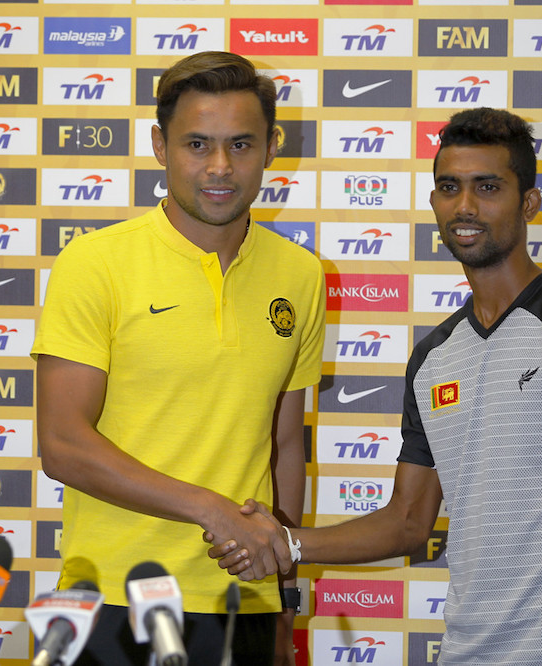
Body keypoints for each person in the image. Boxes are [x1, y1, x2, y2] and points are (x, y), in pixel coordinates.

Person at [208, 108, 542, 665]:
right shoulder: (434, 357)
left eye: (488, 187)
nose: (465, 206)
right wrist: (286, 542)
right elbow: (408, 523)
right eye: (449, 188)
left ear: (529, 204)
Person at [32, 51, 326, 665]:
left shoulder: (300, 275)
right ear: (160, 147)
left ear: (272, 147)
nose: (220, 167)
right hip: (116, 598)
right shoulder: (96, 263)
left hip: (244, 605)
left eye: (241, 145)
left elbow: (286, 443)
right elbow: (62, 444)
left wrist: (284, 590)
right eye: (198, 144)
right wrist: (211, 509)